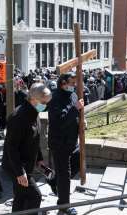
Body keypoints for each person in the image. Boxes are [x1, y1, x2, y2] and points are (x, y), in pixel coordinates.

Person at [2, 83, 52, 214]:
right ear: (34, 99)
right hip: (17, 166)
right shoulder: (18, 117)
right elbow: (11, 147)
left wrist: (39, 159)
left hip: (27, 164)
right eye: (44, 102)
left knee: (20, 197)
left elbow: (34, 139)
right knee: (35, 196)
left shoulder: (34, 111)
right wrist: (19, 172)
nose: (46, 105)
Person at [48, 72, 84, 215]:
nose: (74, 85)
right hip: (59, 143)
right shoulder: (54, 98)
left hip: (72, 141)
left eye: (75, 83)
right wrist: (75, 109)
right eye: (71, 83)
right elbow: (60, 120)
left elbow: (75, 112)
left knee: (78, 161)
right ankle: (64, 205)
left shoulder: (74, 95)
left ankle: (54, 181)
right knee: (65, 174)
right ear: (63, 83)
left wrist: (81, 121)